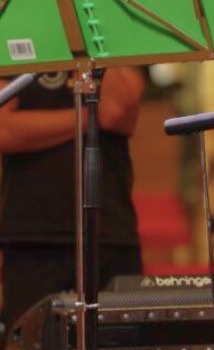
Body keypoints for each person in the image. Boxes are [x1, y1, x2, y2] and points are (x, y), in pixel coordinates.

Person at [0, 68, 145, 334]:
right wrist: (88, 116)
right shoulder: (15, 28)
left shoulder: (111, 32)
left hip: (110, 231)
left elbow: (115, 111)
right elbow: (4, 129)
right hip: (33, 236)